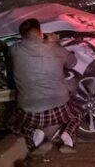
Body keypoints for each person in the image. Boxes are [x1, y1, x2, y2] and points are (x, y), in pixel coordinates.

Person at [9, 18, 83, 153]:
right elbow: (73, 62)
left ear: (22, 35)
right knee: (77, 112)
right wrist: (56, 43)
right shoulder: (54, 47)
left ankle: (35, 133)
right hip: (58, 107)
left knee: (13, 122)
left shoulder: (14, 50)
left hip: (29, 110)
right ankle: (67, 136)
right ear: (40, 32)